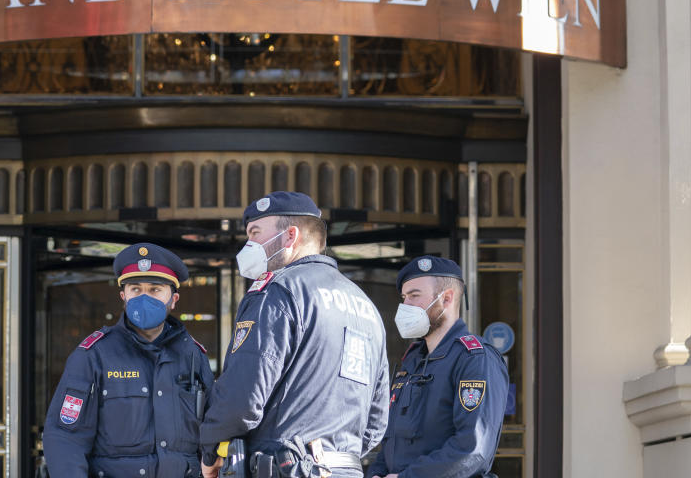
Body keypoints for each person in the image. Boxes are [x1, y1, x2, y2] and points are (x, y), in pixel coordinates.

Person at [200, 191, 389, 478]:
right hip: (344, 469)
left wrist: (211, 450)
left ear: (290, 236)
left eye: (255, 233)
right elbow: (375, 423)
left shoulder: (278, 292)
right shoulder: (366, 307)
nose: (249, 244)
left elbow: (243, 396)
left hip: (287, 467)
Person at [43, 242, 214, 478]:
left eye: (155, 290)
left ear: (173, 299)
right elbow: (64, 437)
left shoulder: (193, 355)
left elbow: (211, 433)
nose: (144, 297)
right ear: (123, 296)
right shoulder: (94, 355)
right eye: (136, 289)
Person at [367, 256, 508, 478]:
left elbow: (472, 449)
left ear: (447, 298)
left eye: (414, 296)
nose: (405, 306)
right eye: (404, 297)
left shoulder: (475, 359)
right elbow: (393, 440)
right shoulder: (412, 360)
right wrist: (377, 472)